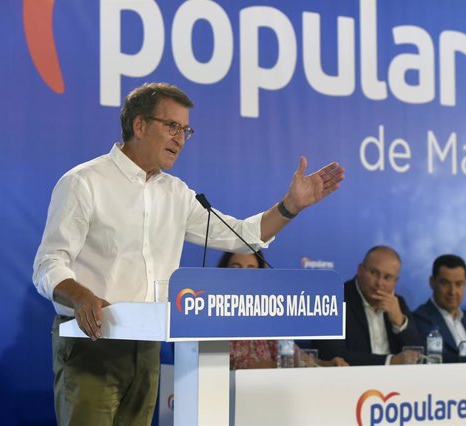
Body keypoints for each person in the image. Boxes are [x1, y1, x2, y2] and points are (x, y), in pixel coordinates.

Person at [32, 82, 345, 425]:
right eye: (171, 126)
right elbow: (49, 263)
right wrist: (80, 296)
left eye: (185, 130)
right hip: (93, 342)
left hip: (149, 344)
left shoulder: (177, 193)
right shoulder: (84, 182)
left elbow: (241, 237)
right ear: (139, 125)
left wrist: (290, 206)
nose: (180, 138)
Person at [218, 251, 348, 369]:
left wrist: (327, 365)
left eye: (251, 270)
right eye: (235, 268)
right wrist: (281, 365)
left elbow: (297, 357)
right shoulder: (213, 314)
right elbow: (232, 365)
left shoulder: (269, 312)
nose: (244, 275)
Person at [315, 246, 422, 365]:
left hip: (395, 381)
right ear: (360, 270)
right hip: (350, 380)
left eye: (387, 277)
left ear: (395, 281)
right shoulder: (333, 299)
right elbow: (331, 354)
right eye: (374, 273)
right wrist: (389, 361)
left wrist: (400, 322)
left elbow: (419, 355)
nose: (379, 283)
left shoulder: (398, 303)